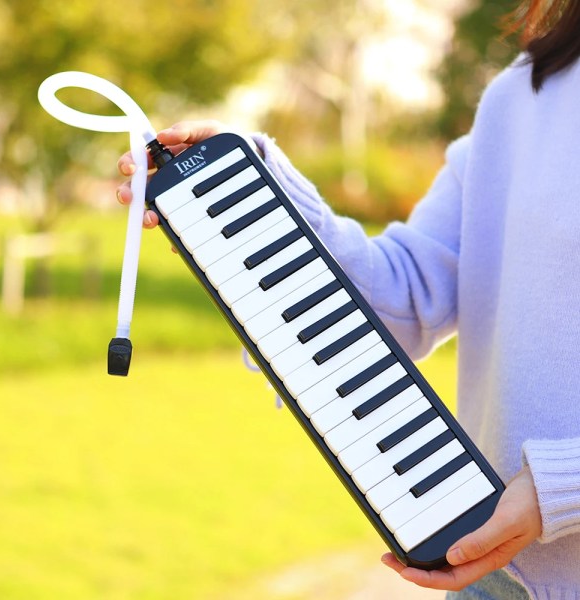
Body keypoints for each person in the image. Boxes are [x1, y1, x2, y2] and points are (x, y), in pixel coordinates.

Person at [116, 1, 580, 597]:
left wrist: (558, 490)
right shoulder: (522, 96)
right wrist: (253, 201)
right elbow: (404, 296)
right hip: (497, 579)